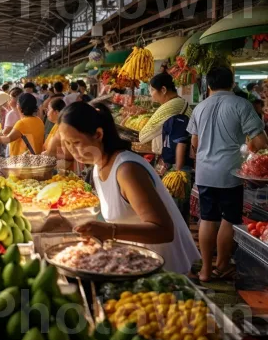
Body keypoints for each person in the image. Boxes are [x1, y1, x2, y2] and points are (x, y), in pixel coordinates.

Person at [59, 102, 200, 274]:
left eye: (76, 142)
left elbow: (164, 230)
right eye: (66, 143)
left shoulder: (126, 170)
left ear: (98, 134)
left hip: (163, 270)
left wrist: (109, 231)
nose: (72, 151)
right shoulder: (98, 167)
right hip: (138, 264)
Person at [187, 67, 268, 282]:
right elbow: (260, 143)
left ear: (209, 84)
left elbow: (194, 143)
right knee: (228, 219)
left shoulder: (200, 107)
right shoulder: (241, 105)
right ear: (232, 83)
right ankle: (221, 265)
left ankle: (205, 270)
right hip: (230, 173)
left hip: (204, 173)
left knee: (207, 218)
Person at [140, 73, 193, 161]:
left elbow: (143, 136)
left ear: (163, 90)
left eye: (152, 90)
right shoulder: (179, 101)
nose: (151, 94)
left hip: (177, 158)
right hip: (179, 154)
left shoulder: (172, 105)